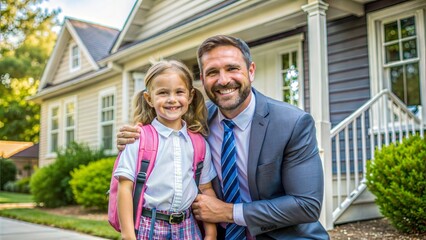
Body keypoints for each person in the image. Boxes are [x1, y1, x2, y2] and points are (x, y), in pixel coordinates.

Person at [117, 35, 329, 239]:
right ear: (202, 79)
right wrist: (132, 136)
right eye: (212, 72)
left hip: (280, 235)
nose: (224, 80)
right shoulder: (197, 122)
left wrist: (228, 212)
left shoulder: (292, 123)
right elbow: (162, 130)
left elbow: (306, 205)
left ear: (251, 71)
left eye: (232, 68)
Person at [114, 60, 217, 240]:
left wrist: (211, 233)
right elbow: (125, 188)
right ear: (149, 99)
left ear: (190, 96)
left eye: (179, 92)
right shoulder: (138, 138)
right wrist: (128, 235)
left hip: (188, 227)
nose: (172, 99)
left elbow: (206, 189)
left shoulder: (199, 143)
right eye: (162, 93)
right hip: (149, 227)